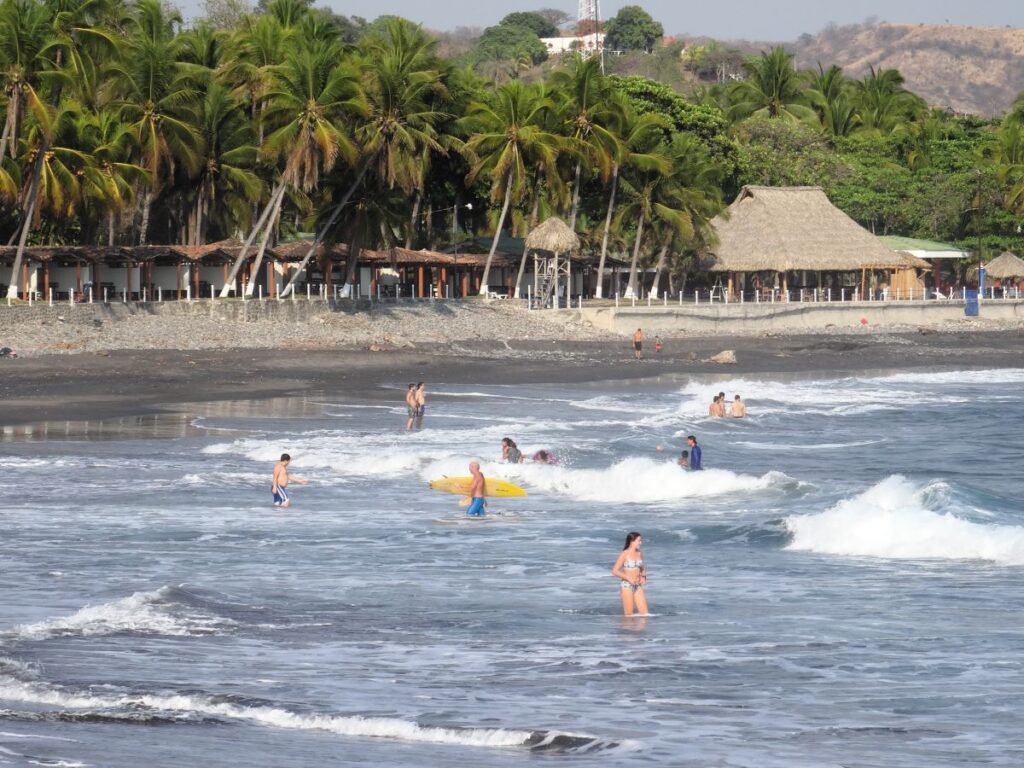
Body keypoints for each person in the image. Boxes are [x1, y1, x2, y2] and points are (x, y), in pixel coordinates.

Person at [612, 532, 649, 617]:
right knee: (629, 615)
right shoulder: (624, 554)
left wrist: (643, 576)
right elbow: (615, 571)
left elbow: (642, 568)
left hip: (637, 585)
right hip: (627, 586)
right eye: (639, 540)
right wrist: (628, 578)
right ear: (632, 541)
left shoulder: (639, 553)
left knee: (645, 615)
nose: (641, 542)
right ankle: (626, 630)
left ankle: (640, 630)